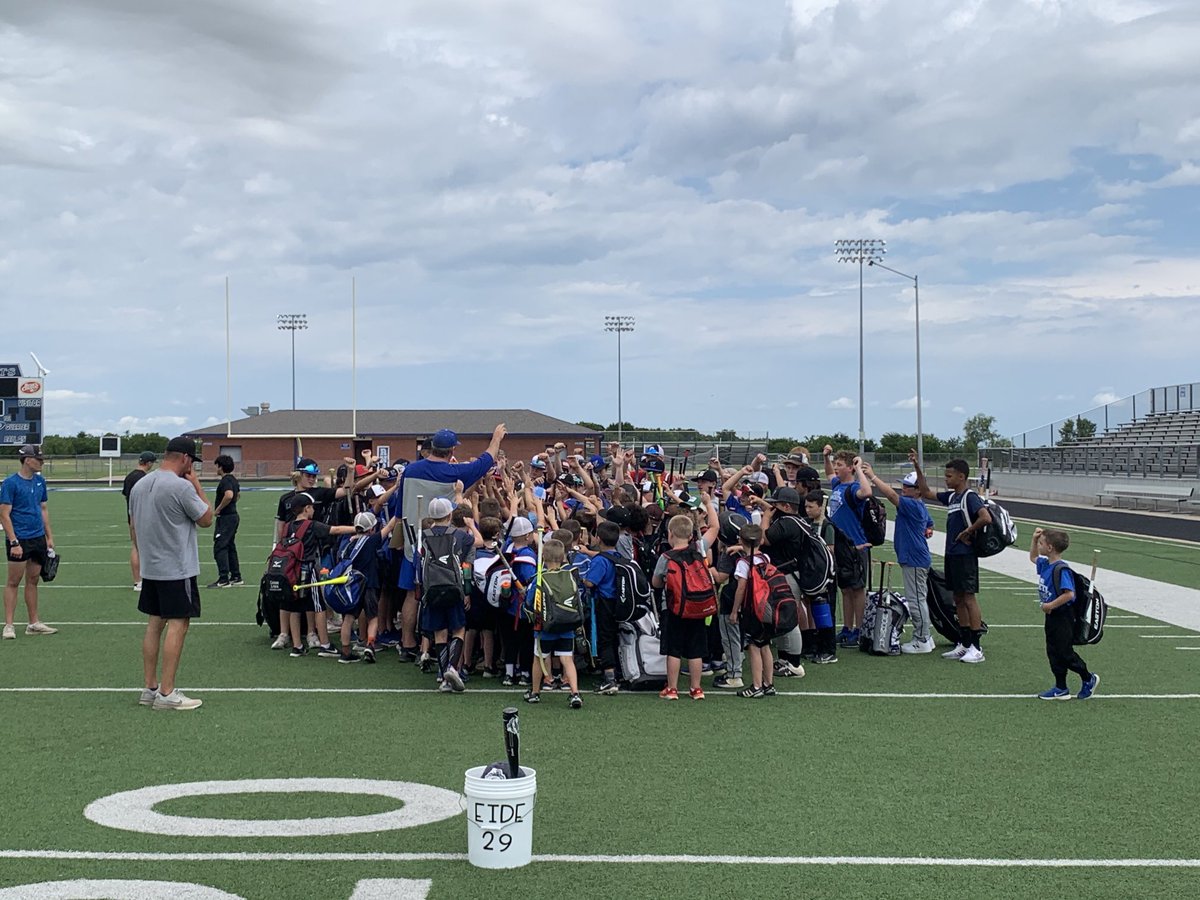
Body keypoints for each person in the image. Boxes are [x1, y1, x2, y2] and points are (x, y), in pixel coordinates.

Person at [392, 423, 507, 661]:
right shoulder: (453, 472)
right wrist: (496, 438)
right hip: (444, 545)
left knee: (412, 595)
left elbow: (400, 510)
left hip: (414, 541)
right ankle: (443, 648)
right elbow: (486, 461)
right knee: (446, 593)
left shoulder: (410, 471)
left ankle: (408, 644)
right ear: (452, 450)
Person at [128, 437, 212, 710]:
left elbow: (133, 525)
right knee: (178, 623)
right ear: (185, 458)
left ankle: (150, 687)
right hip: (176, 567)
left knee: (155, 623)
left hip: (151, 566)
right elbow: (206, 518)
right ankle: (167, 692)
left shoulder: (140, 484)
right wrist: (196, 484)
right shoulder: (180, 486)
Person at [914, 456, 991, 664]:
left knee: (968, 598)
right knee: (957, 598)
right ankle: (964, 643)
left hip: (965, 554)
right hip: (952, 553)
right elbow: (926, 493)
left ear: (961, 476)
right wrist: (917, 468)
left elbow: (985, 517)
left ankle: (976, 646)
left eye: (949, 476)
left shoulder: (969, 497)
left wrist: (968, 531)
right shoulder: (952, 497)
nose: (946, 479)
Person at [861, 460, 936, 654]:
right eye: (903, 485)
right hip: (915, 556)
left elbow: (891, 496)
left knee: (916, 600)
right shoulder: (918, 504)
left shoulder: (912, 504)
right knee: (918, 598)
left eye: (908, 487)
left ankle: (922, 638)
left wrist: (872, 476)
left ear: (918, 491)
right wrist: (926, 529)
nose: (903, 489)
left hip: (914, 558)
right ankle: (925, 636)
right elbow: (930, 523)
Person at [651, 499, 720, 701]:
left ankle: (672, 688)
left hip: (673, 607)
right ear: (691, 535)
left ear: (670, 534)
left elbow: (656, 582)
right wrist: (708, 504)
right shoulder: (698, 548)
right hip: (697, 605)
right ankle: (696, 688)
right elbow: (715, 527)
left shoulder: (666, 557)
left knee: (673, 650)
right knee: (695, 650)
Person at [1030, 528, 1099, 701]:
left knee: (1064, 652)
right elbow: (1033, 557)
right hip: (1051, 616)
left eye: (1041, 543)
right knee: (1052, 651)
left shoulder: (1061, 570)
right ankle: (1061, 687)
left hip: (1063, 616)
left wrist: (1050, 605)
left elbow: (1069, 594)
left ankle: (1088, 677)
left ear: (1050, 548)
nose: (1039, 546)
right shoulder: (1046, 564)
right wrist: (1034, 540)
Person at [1, 444, 58, 640]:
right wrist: (14, 542)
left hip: (37, 538)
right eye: (38, 459)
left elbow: (43, 509)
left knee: (33, 581)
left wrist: (49, 537)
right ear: (27, 460)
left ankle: (33, 623)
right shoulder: (10, 483)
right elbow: (4, 514)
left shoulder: (40, 481)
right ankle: (9, 625)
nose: (42, 462)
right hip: (20, 539)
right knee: (13, 582)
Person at [822, 447, 874, 647]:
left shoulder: (853, 488)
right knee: (845, 589)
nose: (836, 468)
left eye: (840, 464)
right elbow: (829, 474)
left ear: (850, 467)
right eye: (836, 464)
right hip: (840, 546)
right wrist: (826, 457)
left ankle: (859, 630)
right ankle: (847, 627)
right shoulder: (837, 485)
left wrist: (859, 468)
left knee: (857, 589)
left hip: (855, 545)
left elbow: (867, 492)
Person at [523, 539, 583, 709]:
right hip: (567, 624)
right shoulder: (569, 576)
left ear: (543, 557)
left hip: (545, 627)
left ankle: (535, 692)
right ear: (563, 557)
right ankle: (575, 692)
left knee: (539, 658)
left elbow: (530, 602)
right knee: (567, 659)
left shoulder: (540, 578)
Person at [729, 524, 775, 698]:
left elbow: (741, 588)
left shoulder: (743, 563)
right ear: (761, 540)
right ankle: (768, 683)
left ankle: (756, 686)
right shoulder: (765, 558)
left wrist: (735, 610)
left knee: (753, 647)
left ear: (741, 541)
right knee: (765, 645)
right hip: (766, 606)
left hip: (751, 608)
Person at [583, 520, 622, 694]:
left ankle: (609, 677)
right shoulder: (619, 556)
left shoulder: (600, 560)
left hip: (604, 602)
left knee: (605, 639)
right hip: (619, 602)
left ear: (598, 538)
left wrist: (582, 579)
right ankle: (618, 673)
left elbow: (591, 582)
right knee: (615, 638)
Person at [122, 450, 157, 592]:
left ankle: (138, 580)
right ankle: (139, 581)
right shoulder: (144, 479)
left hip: (131, 515)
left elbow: (126, 496)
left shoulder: (129, 477)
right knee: (142, 549)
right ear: (148, 463)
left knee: (136, 547)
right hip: (142, 516)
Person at [209, 454, 242, 588]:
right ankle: (236, 576)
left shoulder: (225, 481)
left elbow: (229, 495)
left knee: (220, 547)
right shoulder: (233, 480)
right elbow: (238, 495)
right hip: (233, 516)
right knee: (230, 546)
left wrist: (218, 509)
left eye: (217, 466)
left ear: (221, 467)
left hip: (226, 518)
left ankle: (223, 578)